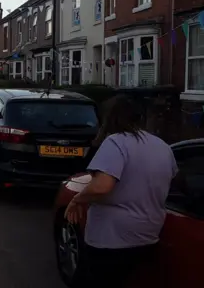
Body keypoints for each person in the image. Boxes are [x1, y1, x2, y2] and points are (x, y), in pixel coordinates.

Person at [65, 95, 177, 288]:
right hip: (148, 235)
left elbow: (102, 186)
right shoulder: (162, 146)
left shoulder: (116, 142)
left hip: (112, 239)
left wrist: (78, 199)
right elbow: (172, 181)